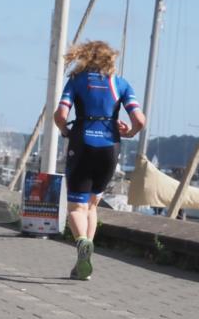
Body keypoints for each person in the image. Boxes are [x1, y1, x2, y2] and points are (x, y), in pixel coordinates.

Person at [53, 40, 145, 281]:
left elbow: (61, 114)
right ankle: (85, 256)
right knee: (93, 205)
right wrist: (130, 132)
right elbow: (140, 120)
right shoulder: (121, 84)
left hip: (81, 143)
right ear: (110, 59)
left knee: (76, 206)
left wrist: (65, 131)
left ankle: (82, 242)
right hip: (109, 146)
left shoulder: (77, 81)